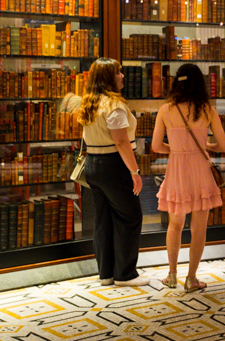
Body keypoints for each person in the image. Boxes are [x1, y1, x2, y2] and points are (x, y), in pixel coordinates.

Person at [152, 63, 225, 292]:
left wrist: (175, 149)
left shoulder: (165, 110)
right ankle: (191, 279)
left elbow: (156, 146)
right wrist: (206, 146)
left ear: (177, 82)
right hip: (201, 170)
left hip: (177, 170)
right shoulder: (207, 110)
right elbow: (223, 146)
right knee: (199, 228)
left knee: (175, 224)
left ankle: (172, 275)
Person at [76, 58, 148, 287]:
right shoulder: (114, 106)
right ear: (109, 77)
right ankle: (125, 274)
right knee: (131, 217)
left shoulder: (90, 103)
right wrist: (134, 171)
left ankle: (106, 273)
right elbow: (121, 142)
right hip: (114, 166)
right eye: (119, 72)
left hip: (93, 165)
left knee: (103, 220)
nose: (123, 76)